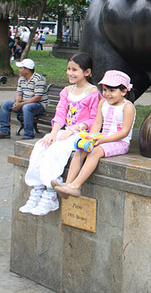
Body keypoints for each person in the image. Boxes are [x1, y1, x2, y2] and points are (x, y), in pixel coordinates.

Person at [19, 52, 101, 216]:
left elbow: (94, 119)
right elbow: (60, 114)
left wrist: (73, 129)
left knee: (57, 151)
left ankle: (50, 193)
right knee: (41, 146)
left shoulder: (93, 93)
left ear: (87, 72)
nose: (70, 73)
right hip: (64, 132)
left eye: (75, 70)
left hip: (81, 135)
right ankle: (37, 189)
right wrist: (53, 133)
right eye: (68, 69)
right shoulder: (66, 91)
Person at [54, 70, 135, 199]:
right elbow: (97, 123)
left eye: (112, 91)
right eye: (105, 90)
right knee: (81, 149)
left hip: (119, 142)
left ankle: (76, 186)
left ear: (124, 91)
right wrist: (90, 137)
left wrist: (103, 140)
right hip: (102, 138)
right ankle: (68, 184)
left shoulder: (127, 107)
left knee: (95, 152)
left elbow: (124, 132)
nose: (107, 94)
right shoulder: (103, 103)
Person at [0, 59, 48, 140]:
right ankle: (4, 131)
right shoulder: (22, 79)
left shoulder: (39, 79)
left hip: (39, 105)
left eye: (21, 68)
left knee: (27, 107)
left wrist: (21, 104)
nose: (19, 70)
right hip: (24, 103)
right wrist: (17, 102)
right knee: (5, 104)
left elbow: (37, 97)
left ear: (27, 70)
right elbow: (18, 93)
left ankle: (28, 134)